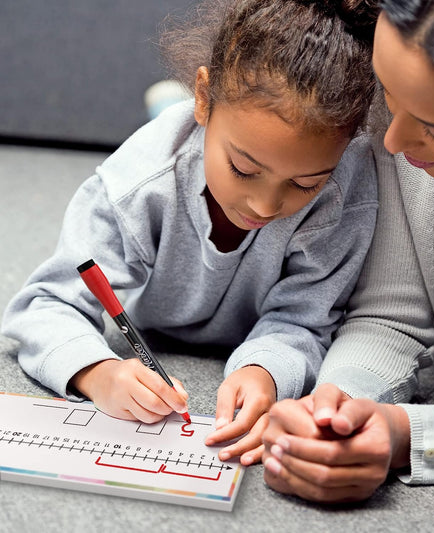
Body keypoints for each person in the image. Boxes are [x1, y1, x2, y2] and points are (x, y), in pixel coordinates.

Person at [1, 0, 379, 467]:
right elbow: (44, 304)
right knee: (173, 151)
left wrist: (266, 370)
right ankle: (169, 110)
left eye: (304, 183)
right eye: (244, 168)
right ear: (205, 97)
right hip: (165, 236)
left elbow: (306, 319)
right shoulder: (136, 185)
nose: (264, 206)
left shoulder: (347, 186)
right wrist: (97, 373)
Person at [262, 0, 434, 501]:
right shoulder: (405, 131)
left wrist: (413, 436)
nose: (392, 141)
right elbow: (391, 315)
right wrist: (340, 407)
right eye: (387, 94)